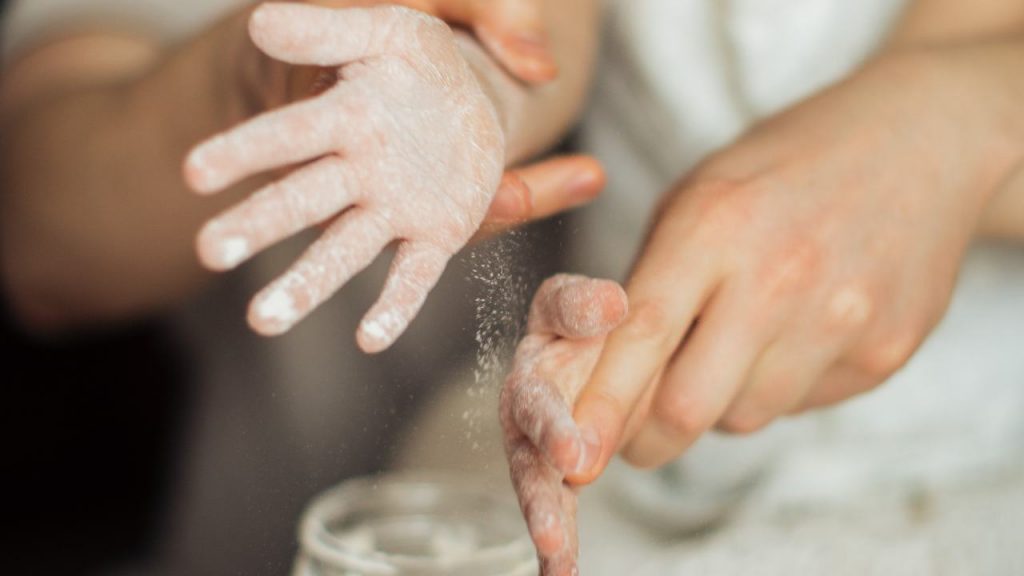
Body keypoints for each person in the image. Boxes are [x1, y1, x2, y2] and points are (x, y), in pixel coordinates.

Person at [0, 1, 602, 573]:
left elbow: (553, 35)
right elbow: (33, 244)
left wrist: (483, 94)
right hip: (269, 518)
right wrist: (245, 82)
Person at [495, 1, 1024, 574]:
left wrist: (946, 128)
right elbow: (536, 26)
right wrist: (476, 89)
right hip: (633, 463)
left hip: (988, 462)